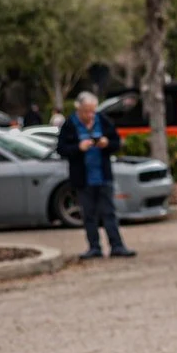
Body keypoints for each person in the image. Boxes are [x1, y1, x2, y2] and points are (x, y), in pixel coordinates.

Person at [56, 93, 134, 259]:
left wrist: (106, 144)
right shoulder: (70, 124)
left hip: (103, 176)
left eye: (92, 111)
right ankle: (94, 247)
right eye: (86, 111)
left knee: (109, 213)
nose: (90, 115)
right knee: (89, 215)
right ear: (79, 109)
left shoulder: (103, 120)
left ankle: (117, 246)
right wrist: (78, 147)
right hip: (83, 178)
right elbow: (61, 149)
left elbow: (116, 143)